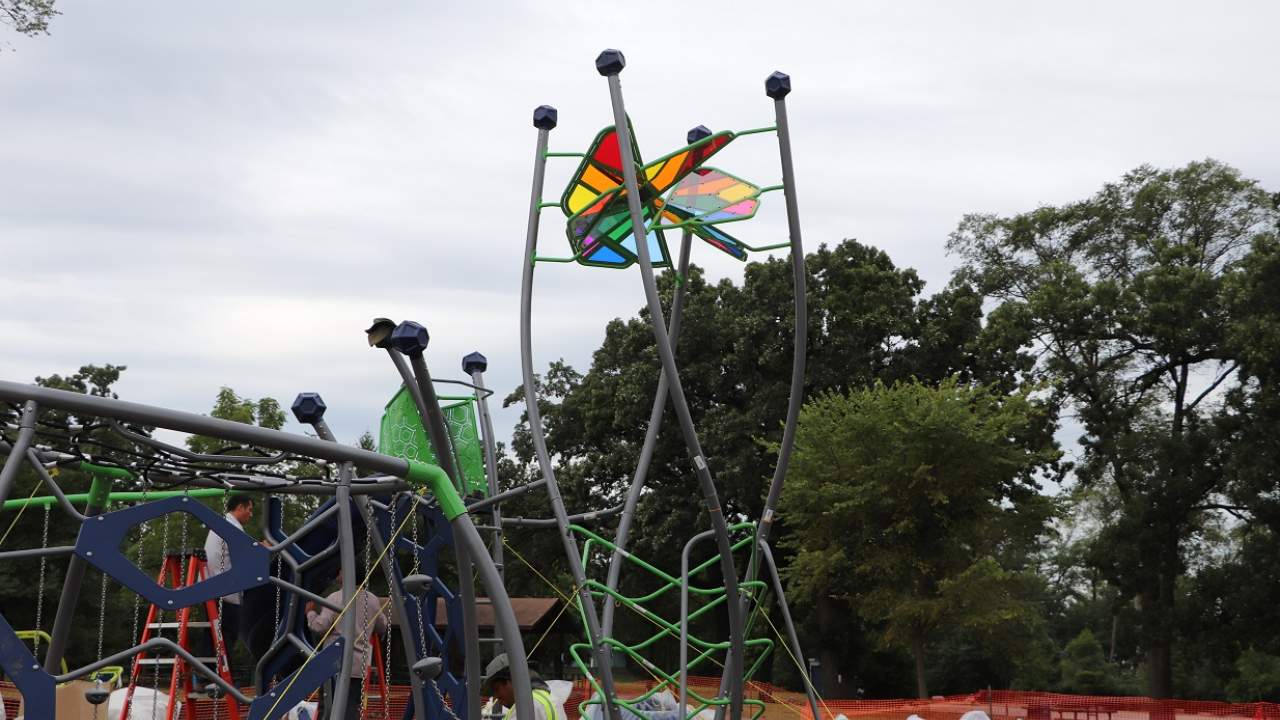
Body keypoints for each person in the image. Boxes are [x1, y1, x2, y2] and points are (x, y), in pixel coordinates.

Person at [306, 572, 390, 720]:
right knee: (351, 706)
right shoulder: (372, 600)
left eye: (339, 572)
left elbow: (321, 626)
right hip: (359, 664)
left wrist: (310, 613)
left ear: (346, 574)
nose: (337, 574)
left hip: (333, 663)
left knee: (329, 706)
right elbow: (382, 626)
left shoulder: (335, 598)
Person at [199, 493, 256, 687]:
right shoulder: (232, 527)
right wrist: (263, 549)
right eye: (249, 509)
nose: (251, 514)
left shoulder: (222, 525)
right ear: (239, 507)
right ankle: (223, 678)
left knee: (213, 637)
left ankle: (208, 677)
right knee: (226, 636)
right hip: (225, 592)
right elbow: (246, 555)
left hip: (212, 589)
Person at [481, 653, 557, 720]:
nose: (496, 697)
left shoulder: (528, 705)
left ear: (513, 680)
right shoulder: (537, 699)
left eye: (497, 689)